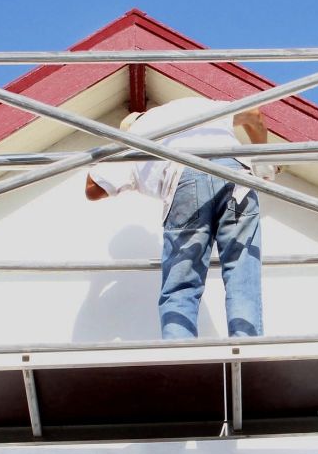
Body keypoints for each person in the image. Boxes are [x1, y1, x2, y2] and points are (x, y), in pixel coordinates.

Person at [85, 96, 272, 340]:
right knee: (242, 271)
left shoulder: (135, 138)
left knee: (181, 285)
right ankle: (248, 347)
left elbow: (92, 188)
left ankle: (180, 352)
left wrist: (113, 152)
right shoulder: (197, 106)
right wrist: (264, 167)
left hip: (184, 180)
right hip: (236, 175)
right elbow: (255, 115)